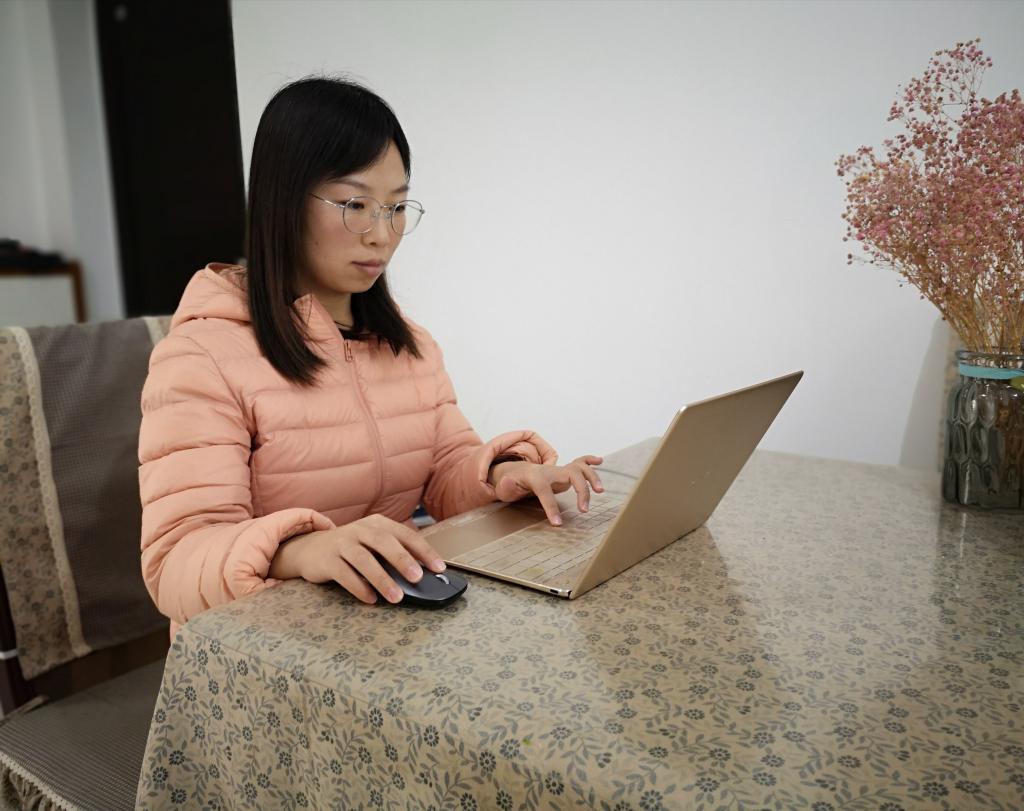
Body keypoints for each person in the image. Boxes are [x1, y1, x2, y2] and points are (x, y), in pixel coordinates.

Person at [138, 77, 604, 632]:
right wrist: (301, 550)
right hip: (260, 649)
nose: (383, 235)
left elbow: (444, 472)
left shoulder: (409, 346)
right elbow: (175, 564)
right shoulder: (202, 358)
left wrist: (503, 477)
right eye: (356, 204)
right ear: (283, 201)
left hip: (385, 628)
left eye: (397, 206)